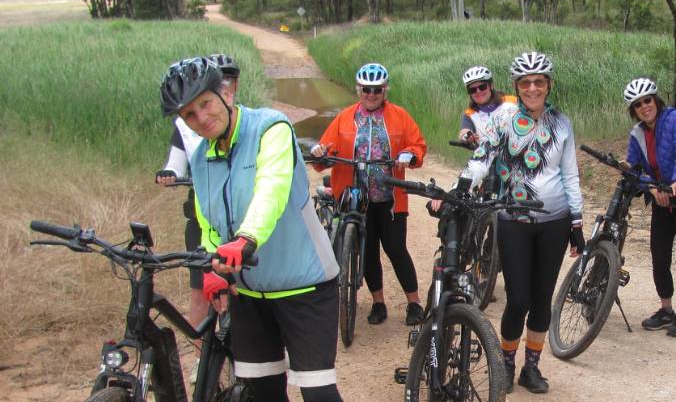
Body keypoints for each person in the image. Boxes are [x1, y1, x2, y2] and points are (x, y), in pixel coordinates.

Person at [160, 57, 343, 402]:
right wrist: (214, 263)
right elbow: (208, 221)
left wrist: (245, 239)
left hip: (303, 286)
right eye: (189, 115)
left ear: (225, 94)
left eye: (205, 104)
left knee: (318, 392)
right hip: (249, 295)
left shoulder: (271, 128)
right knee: (262, 392)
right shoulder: (201, 159)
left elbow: (270, 189)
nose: (202, 118)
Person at [437, 51, 584, 394]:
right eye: (526, 83)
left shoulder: (562, 123)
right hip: (513, 218)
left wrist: (576, 221)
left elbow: (570, 174)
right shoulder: (503, 120)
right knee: (518, 299)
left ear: (548, 85)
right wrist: (457, 191)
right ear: (517, 87)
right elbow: (481, 159)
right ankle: (504, 360)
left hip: (556, 220)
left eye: (539, 82)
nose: (533, 88)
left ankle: (530, 367)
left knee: (542, 297)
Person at [310, 62, 427, 326]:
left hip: (390, 198)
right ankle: (378, 302)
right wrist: (320, 152)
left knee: (396, 249)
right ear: (358, 89)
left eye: (376, 89)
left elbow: (417, 144)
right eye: (366, 89)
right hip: (355, 198)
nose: (371, 94)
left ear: (385, 90)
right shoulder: (344, 118)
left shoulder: (399, 116)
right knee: (370, 251)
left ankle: (414, 303)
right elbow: (325, 149)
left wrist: (410, 155)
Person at [155, 54, 241, 332]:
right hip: (202, 215)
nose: (200, 116)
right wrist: (169, 174)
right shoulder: (184, 127)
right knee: (199, 292)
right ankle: (202, 360)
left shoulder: (244, 123)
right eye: (191, 111)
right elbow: (175, 164)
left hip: (242, 220)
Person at [623, 77, 676, 337]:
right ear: (634, 110)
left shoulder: (675, 120)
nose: (644, 107)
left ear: (656, 100)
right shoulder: (637, 134)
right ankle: (665, 309)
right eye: (638, 105)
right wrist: (650, 187)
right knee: (659, 256)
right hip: (661, 200)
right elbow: (634, 167)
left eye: (647, 100)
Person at [456, 65, 517, 145]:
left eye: (482, 87)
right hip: (486, 155)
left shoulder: (512, 101)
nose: (478, 91)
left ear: (491, 86)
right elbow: (464, 131)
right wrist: (467, 136)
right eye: (473, 90)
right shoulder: (470, 114)